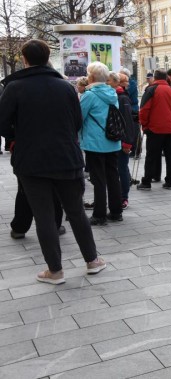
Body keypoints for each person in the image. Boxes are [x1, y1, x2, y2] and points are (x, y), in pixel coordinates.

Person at [0, 39, 106, 284]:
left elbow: (3, 125)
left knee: (44, 216)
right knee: (76, 211)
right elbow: (77, 122)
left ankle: (55, 271)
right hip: (66, 157)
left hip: (31, 161)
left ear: (24, 60)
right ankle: (92, 261)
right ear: (48, 57)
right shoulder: (65, 87)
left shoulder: (14, 88)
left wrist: (21, 134)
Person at [80, 62, 124, 225]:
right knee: (113, 176)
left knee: (98, 179)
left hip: (94, 143)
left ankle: (99, 214)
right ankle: (116, 211)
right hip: (112, 141)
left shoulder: (89, 95)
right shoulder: (112, 93)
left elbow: (79, 117)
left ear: (91, 77)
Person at [137, 68, 171, 190]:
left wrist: (145, 125)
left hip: (155, 128)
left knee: (151, 156)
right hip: (170, 128)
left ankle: (147, 181)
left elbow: (144, 110)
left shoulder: (151, 89)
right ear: (166, 78)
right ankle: (170, 181)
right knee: (170, 155)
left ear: (155, 77)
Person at [115, 72, 136, 210]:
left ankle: (124, 197)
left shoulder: (122, 98)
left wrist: (127, 142)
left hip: (121, 140)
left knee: (122, 168)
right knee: (121, 168)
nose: (128, 84)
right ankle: (120, 195)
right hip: (118, 139)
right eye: (126, 81)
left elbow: (127, 122)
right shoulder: (119, 96)